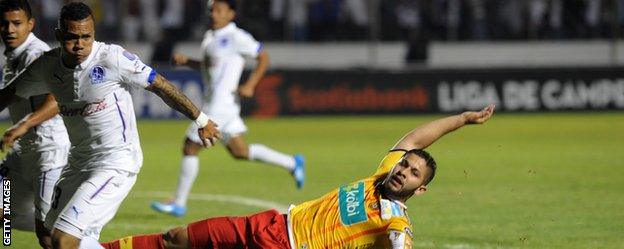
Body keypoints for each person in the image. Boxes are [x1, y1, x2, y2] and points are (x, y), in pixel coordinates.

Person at [102, 105, 496, 249]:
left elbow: (401, 244)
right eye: (404, 165)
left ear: (419, 189)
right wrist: (461, 119)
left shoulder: (396, 221)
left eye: (412, 174)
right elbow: (415, 138)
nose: (403, 172)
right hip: (271, 224)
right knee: (177, 238)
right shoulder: (380, 174)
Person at [0, 2, 221, 249]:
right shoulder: (47, 66)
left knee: (64, 240)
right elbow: (8, 94)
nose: (80, 44)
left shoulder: (112, 59)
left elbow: (161, 85)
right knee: (49, 237)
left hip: (115, 163)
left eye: (87, 36)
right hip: (77, 163)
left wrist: (201, 119)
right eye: (73, 37)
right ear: (59, 35)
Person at [151, 0, 305, 217]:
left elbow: (263, 56)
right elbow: (212, 65)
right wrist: (188, 61)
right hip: (222, 104)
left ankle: (179, 202)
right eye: (212, 10)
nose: (214, 14)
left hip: (220, 105)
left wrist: (251, 84)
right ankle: (292, 162)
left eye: (220, 10)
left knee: (190, 147)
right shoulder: (211, 36)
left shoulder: (236, 36)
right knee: (239, 151)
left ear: (231, 14)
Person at [0, 0, 69, 247]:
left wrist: (23, 125)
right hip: (23, 152)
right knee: (4, 212)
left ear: (30, 24)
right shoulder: (13, 56)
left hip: (48, 151)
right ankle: (75, 232)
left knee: (48, 237)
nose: (9, 29)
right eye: (4, 23)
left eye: (16, 23)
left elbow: (58, 99)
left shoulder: (37, 54)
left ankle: (80, 235)